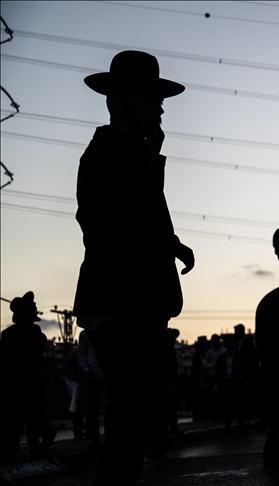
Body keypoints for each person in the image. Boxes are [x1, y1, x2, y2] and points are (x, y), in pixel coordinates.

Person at [72, 49, 195, 485]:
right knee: (128, 432)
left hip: (124, 304)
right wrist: (171, 244)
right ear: (122, 100)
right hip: (125, 305)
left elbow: (136, 212)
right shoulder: (117, 151)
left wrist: (170, 243)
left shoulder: (120, 150)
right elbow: (128, 219)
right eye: (151, 98)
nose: (161, 108)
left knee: (130, 430)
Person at [0, 292, 57, 459]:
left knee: (13, 415)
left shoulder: (7, 333)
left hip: (11, 380)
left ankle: (9, 447)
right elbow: (36, 354)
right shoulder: (34, 330)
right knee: (33, 413)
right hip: (30, 380)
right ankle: (39, 442)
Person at [226, 324, 258, 436]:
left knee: (242, 404)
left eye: (236, 331)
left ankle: (243, 428)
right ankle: (242, 427)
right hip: (238, 379)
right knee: (239, 404)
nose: (234, 334)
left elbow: (250, 363)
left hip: (244, 379)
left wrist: (248, 379)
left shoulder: (247, 344)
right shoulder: (238, 344)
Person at [77, 329, 106, 450]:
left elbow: (82, 355)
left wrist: (86, 369)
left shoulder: (86, 334)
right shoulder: (86, 334)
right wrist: (86, 370)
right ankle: (96, 439)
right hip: (94, 374)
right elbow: (82, 355)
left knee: (92, 408)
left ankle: (96, 439)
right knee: (92, 408)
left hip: (94, 373)